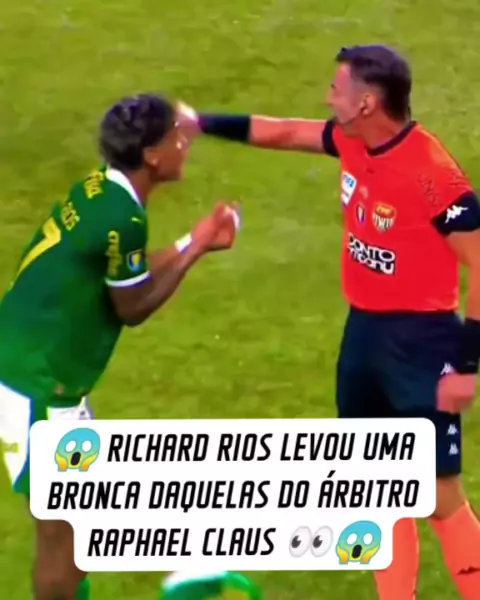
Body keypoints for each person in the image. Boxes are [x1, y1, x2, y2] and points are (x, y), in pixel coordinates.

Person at [189, 45, 480, 600]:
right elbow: (281, 132)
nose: (328, 97)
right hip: (364, 334)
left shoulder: (432, 175)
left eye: (336, 89)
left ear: (367, 102)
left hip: (422, 343)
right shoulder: (350, 140)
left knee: (439, 496)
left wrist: (466, 363)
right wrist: (200, 122)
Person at [0, 93, 240, 600]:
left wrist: (188, 242)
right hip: (38, 386)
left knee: (76, 527)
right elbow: (132, 306)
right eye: (175, 138)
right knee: (62, 537)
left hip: (36, 370)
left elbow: (125, 275)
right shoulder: (123, 218)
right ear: (151, 155)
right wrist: (198, 247)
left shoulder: (102, 190)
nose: (184, 145)